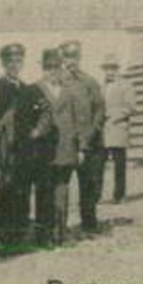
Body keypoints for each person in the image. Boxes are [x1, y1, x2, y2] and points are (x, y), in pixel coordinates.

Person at [20, 47, 78, 248]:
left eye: (56, 67)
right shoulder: (32, 90)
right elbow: (25, 121)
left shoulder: (69, 92)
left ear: (61, 69)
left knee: (62, 193)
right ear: (42, 69)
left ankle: (59, 234)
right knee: (43, 194)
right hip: (42, 152)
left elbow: (76, 120)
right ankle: (43, 236)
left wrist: (78, 149)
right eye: (48, 67)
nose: (52, 71)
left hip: (64, 150)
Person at [59, 41, 108, 235]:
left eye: (75, 56)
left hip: (90, 143)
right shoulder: (57, 83)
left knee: (90, 186)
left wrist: (91, 133)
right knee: (61, 187)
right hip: (65, 145)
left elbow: (100, 110)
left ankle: (89, 224)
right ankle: (59, 227)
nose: (72, 61)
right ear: (62, 59)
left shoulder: (90, 82)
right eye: (68, 57)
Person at [0, 43, 32, 243]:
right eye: (10, 61)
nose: (15, 65)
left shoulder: (27, 89)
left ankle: (21, 233)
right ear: (3, 63)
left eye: (18, 61)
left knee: (22, 191)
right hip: (3, 151)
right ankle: (6, 236)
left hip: (23, 150)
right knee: (6, 191)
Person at [100, 54, 137, 203]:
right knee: (99, 165)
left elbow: (131, 107)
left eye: (113, 68)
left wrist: (115, 116)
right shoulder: (101, 87)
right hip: (103, 130)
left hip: (118, 128)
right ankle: (98, 195)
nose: (110, 72)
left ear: (117, 69)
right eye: (107, 69)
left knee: (119, 165)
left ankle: (119, 195)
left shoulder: (126, 85)